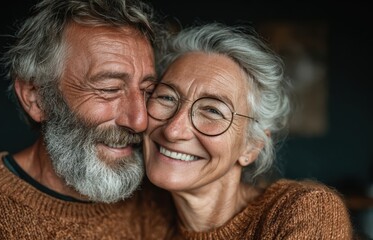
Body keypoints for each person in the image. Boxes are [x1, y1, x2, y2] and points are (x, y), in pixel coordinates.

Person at [0, 0, 173, 239]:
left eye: (147, 91)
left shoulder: (160, 205)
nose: (139, 120)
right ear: (36, 98)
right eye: (109, 88)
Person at [143, 22, 354, 239]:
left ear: (251, 146)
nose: (173, 130)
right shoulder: (134, 210)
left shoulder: (306, 212)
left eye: (212, 111)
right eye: (167, 97)